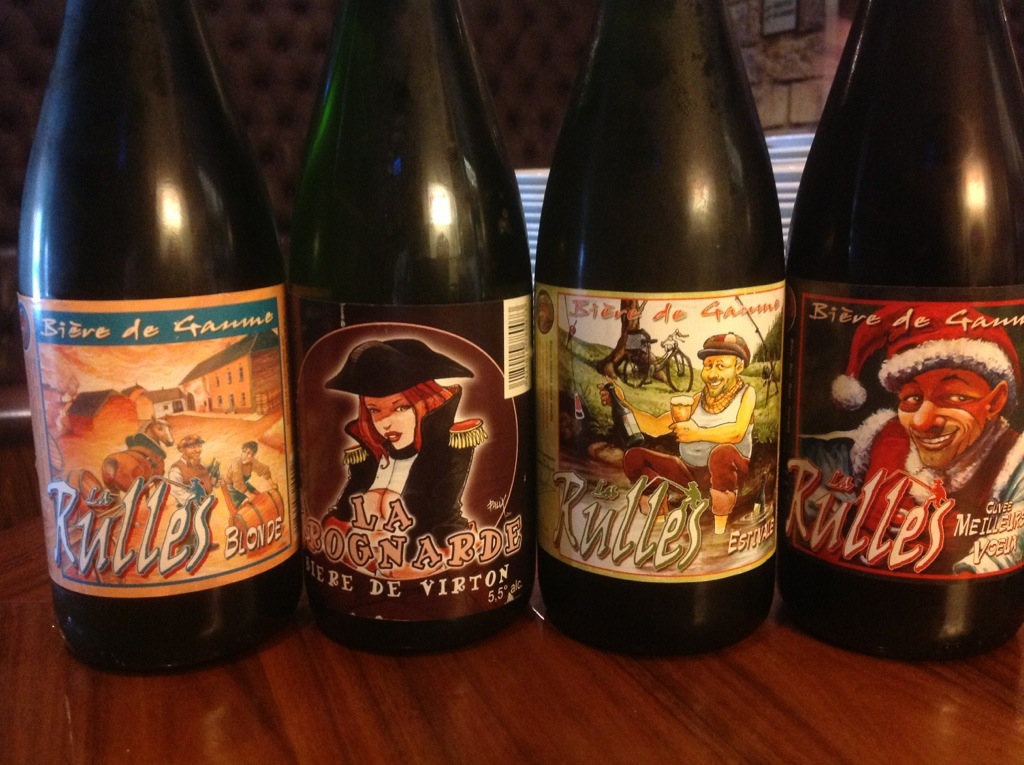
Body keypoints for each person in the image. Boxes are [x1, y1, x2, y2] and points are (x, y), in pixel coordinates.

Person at [800, 304, 1024, 572]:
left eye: (954, 397)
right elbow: (814, 462)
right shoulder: (879, 439)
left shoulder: (1014, 463)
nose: (921, 422)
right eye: (912, 398)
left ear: (995, 401)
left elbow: (1004, 551)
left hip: (962, 596)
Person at [323, 338, 486, 576]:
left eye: (400, 408)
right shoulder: (369, 457)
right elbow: (341, 516)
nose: (386, 423)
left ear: (427, 403)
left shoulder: (449, 451)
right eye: (374, 410)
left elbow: (446, 519)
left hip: (422, 568)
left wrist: (414, 567)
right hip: (362, 572)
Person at [606, 332, 756, 534]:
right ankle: (658, 521)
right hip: (693, 474)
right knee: (635, 457)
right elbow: (655, 427)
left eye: (720, 366)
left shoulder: (746, 393)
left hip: (732, 471)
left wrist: (697, 433)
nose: (711, 374)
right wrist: (622, 402)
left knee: (722, 454)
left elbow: (736, 432)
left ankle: (720, 528)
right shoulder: (696, 400)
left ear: (738, 368)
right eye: (708, 366)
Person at [224, 441, 276, 509]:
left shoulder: (252, 462)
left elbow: (264, 470)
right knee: (242, 509)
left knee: (260, 498)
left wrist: (272, 484)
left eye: (249, 453)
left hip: (244, 485)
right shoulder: (236, 462)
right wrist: (249, 495)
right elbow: (237, 481)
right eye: (244, 451)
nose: (245, 455)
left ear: (253, 455)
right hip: (231, 488)